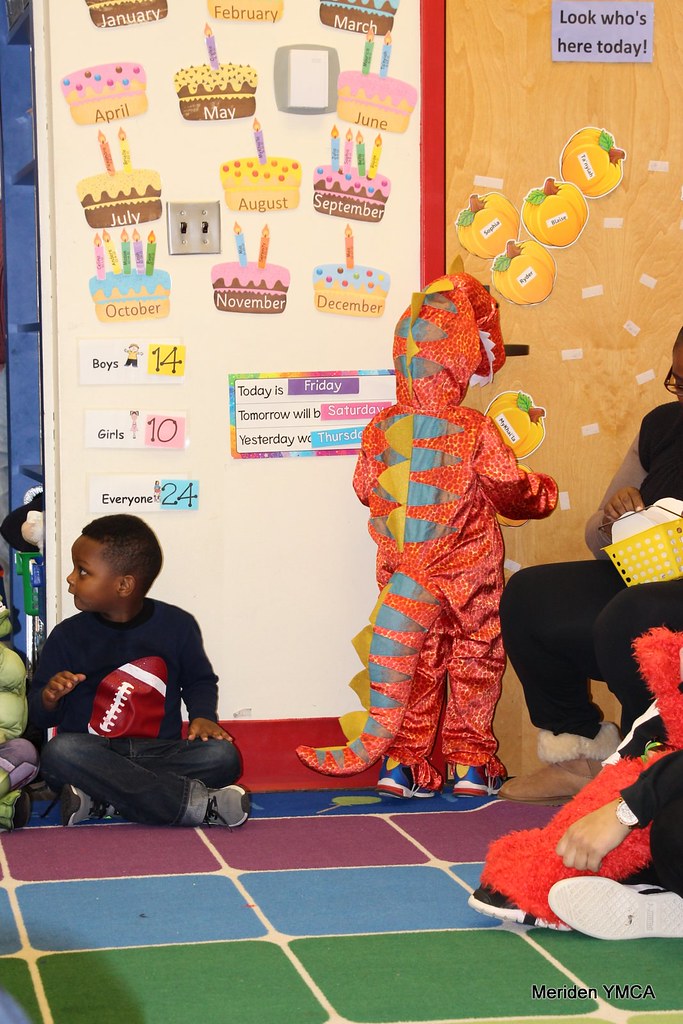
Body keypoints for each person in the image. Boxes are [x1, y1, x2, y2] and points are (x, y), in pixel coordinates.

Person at [297, 272, 558, 796]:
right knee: (475, 657)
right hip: (468, 575)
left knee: (414, 658)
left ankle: (403, 762)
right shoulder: (474, 428)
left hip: (404, 575)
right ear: (460, 359)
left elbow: (364, 487)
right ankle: (468, 762)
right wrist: (544, 492)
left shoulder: (379, 427)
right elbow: (512, 492)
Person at [498, 325, 683, 804]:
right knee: (531, 595)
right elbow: (596, 541)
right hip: (643, 578)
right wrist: (614, 518)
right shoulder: (662, 425)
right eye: (680, 381)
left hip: (656, 601)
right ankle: (580, 757)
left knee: (633, 614)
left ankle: (646, 769)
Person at [27, 514, 250, 828]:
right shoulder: (67, 636)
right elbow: (39, 717)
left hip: (160, 752)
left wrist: (203, 716)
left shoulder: (177, 626)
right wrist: (50, 698)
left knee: (222, 757)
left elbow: (199, 680)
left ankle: (105, 801)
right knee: (59, 752)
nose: (70, 579)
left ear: (122, 584)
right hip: (93, 752)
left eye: (83, 571)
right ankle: (198, 804)